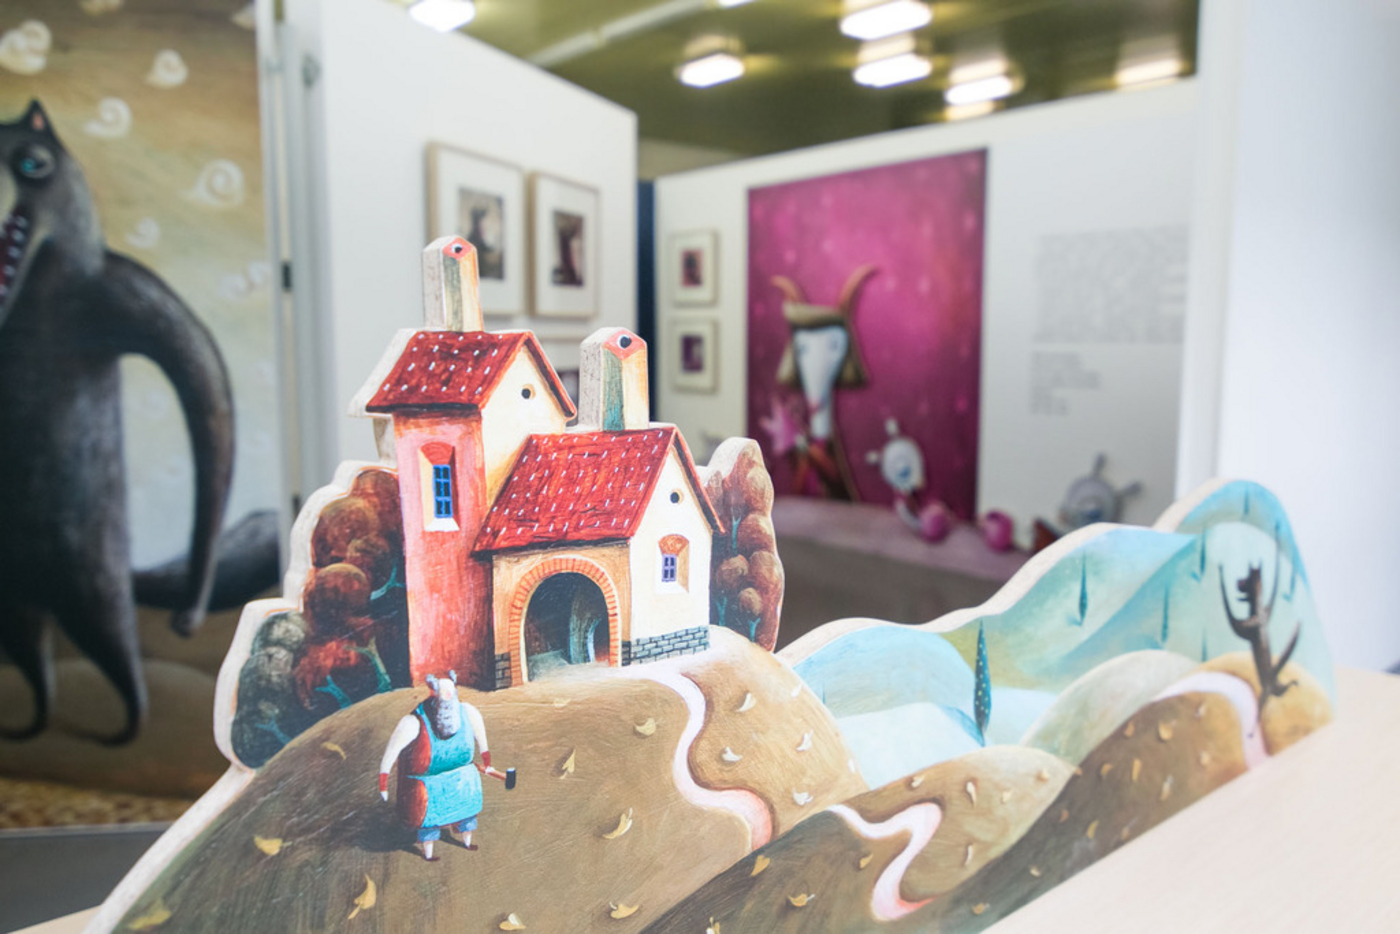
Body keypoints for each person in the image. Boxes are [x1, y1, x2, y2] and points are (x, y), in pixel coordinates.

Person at [377, 671, 497, 861]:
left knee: (466, 816)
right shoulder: (414, 722)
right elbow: (392, 752)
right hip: (428, 787)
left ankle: (467, 841)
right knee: (430, 823)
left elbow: (482, 739)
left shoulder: (468, 713)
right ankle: (429, 853)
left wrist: (487, 762)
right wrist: (383, 781)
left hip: (463, 782)